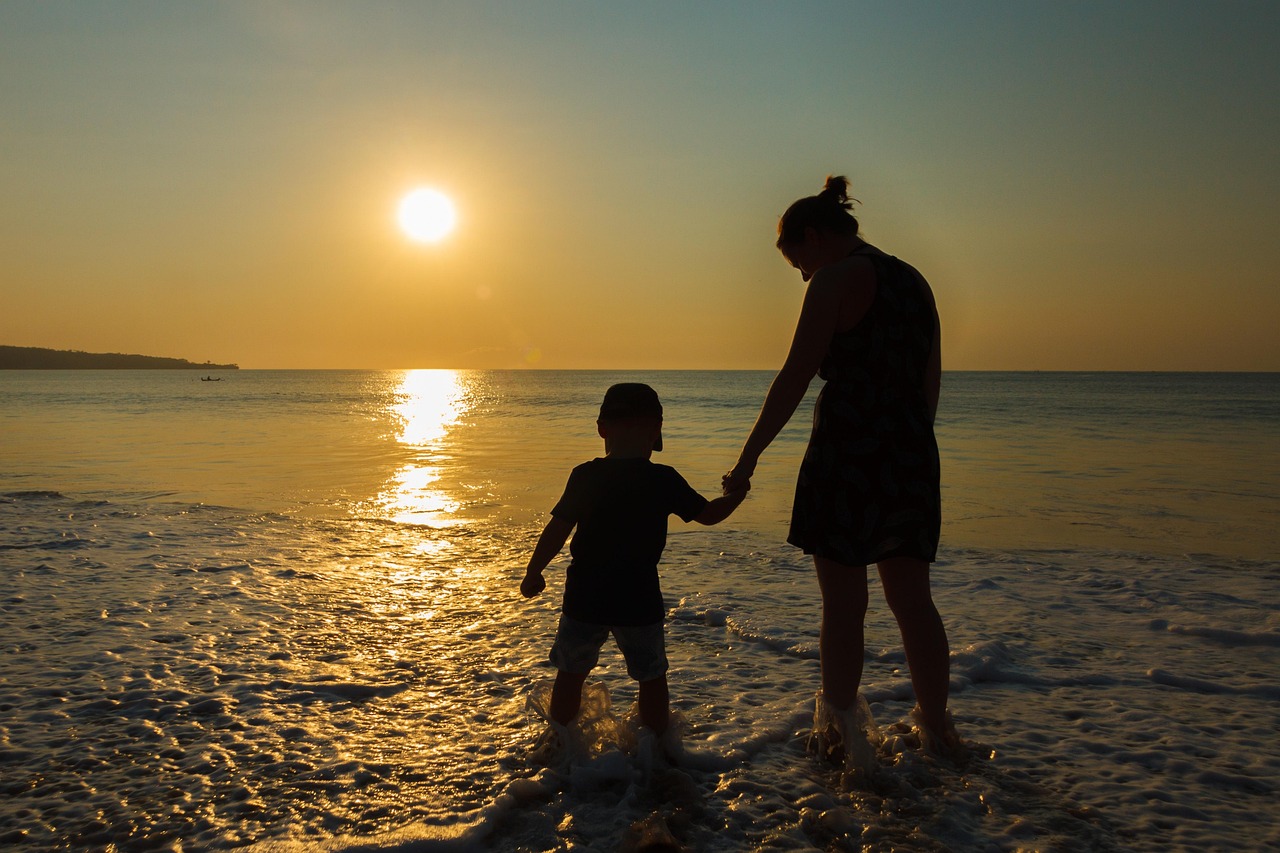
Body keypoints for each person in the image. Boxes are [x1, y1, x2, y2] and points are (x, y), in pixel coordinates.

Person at [722, 175, 961, 761]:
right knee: (914, 601)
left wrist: (747, 460)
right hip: (910, 450)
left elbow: (795, 376)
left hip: (846, 450)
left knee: (844, 603)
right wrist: (911, 444)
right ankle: (938, 731)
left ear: (812, 236)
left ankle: (839, 736)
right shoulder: (915, 280)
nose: (803, 276)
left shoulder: (834, 280)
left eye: (798, 262)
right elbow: (929, 377)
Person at [521, 382, 749, 737]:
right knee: (651, 676)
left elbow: (558, 529)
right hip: (638, 596)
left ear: (602, 429)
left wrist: (534, 571)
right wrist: (737, 494)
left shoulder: (586, 475)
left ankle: (560, 742)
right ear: (656, 430)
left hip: (585, 594)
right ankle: (656, 747)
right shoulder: (662, 479)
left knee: (571, 672)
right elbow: (708, 515)